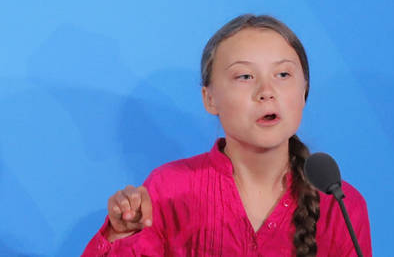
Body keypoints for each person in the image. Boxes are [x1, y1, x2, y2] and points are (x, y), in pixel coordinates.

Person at [82, 14, 372, 257]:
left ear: (304, 91)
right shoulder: (168, 189)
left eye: (283, 75)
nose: (266, 91)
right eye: (244, 76)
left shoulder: (341, 205)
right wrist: (121, 237)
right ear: (210, 99)